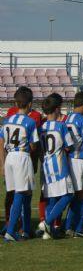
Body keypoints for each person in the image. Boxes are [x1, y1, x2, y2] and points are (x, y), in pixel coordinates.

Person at [0, 88, 39, 241]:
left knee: (26, 192)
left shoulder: (7, 120)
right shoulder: (30, 122)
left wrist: (2, 163)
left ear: (16, 103)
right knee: (20, 193)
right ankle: (10, 231)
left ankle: (26, 229)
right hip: (22, 156)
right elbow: (34, 145)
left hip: (9, 157)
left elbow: (1, 141)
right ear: (30, 104)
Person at [39, 96, 75, 240]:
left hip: (46, 166)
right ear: (56, 109)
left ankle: (47, 233)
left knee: (52, 199)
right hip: (60, 166)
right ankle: (47, 223)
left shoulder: (41, 127)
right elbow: (69, 145)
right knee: (68, 195)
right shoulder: (61, 126)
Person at [64, 91, 83, 237]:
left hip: (69, 159)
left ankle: (68, 226)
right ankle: (79, 228)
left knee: (74, 194)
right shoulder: (82, 120)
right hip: (80, 160)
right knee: (82, 194)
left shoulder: (66, 118)